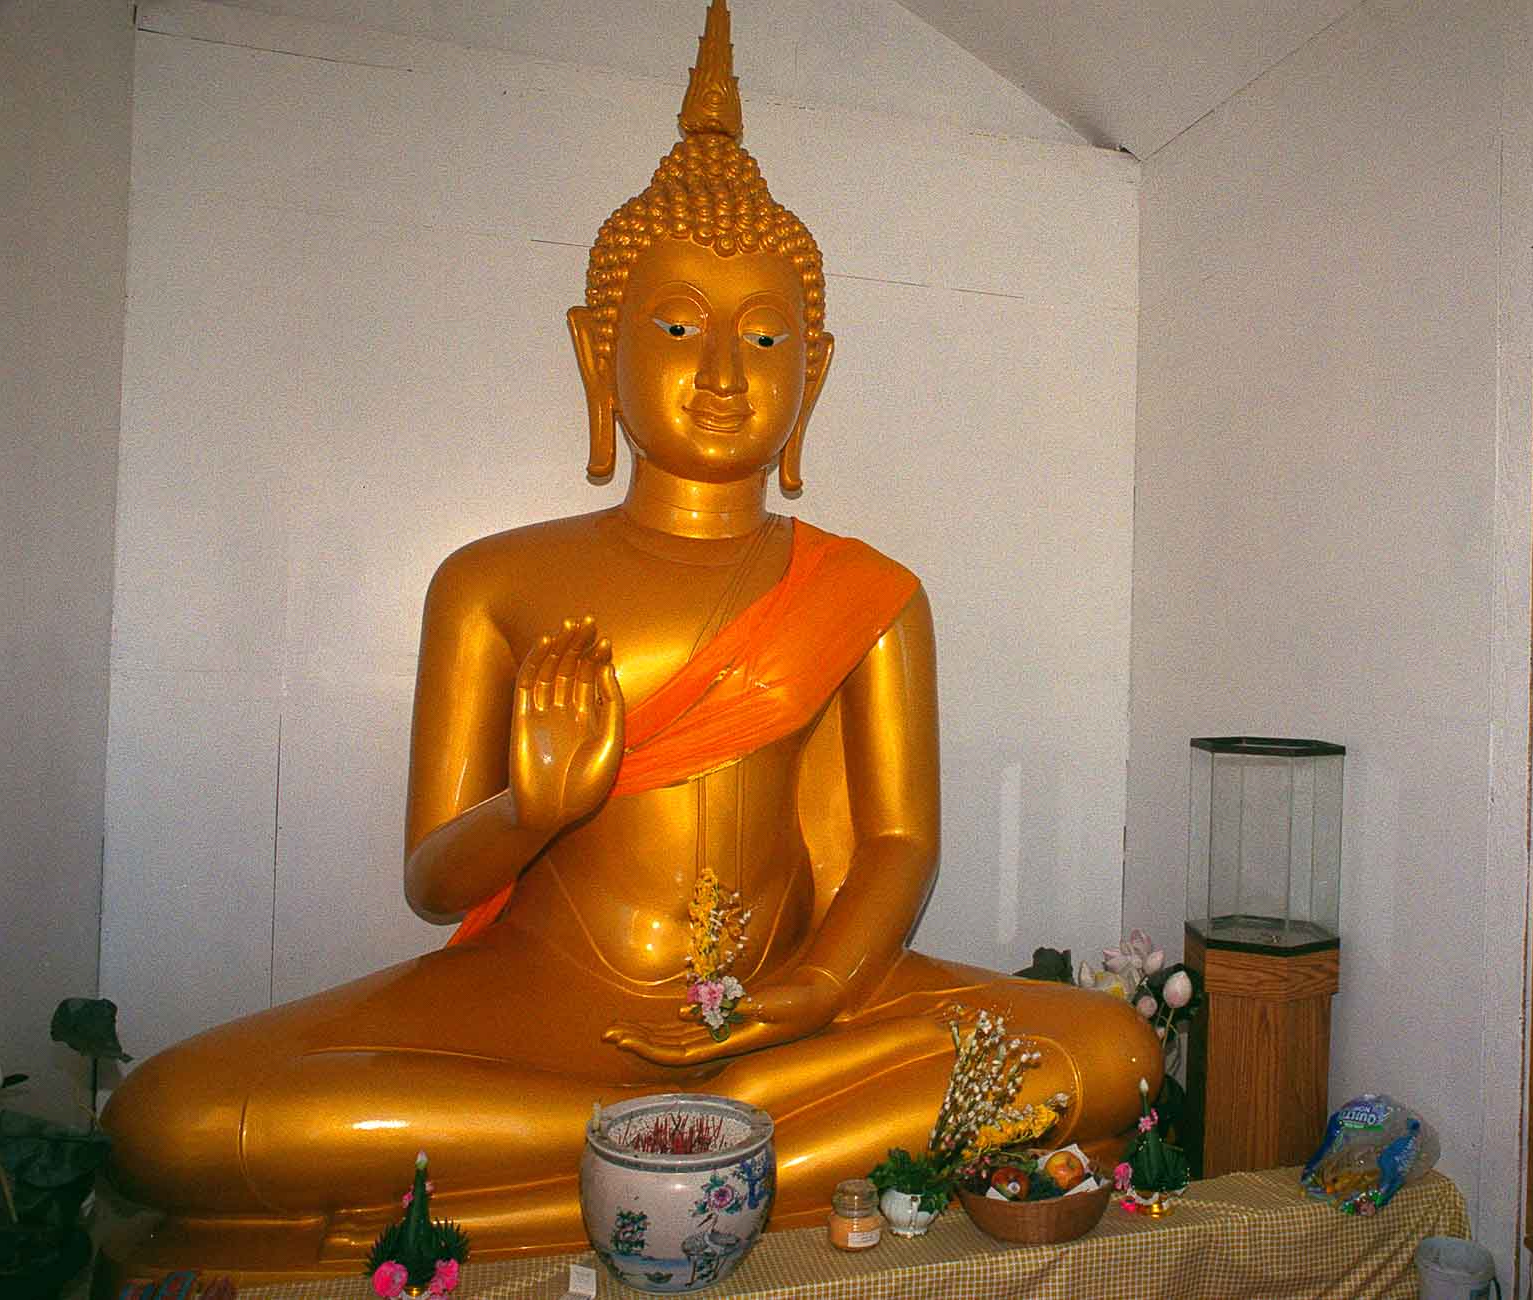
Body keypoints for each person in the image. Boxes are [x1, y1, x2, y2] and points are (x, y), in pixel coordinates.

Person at [101, 0, 1158, 1275]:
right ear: (596, 349)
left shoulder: (869, 594)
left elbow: (895, 842)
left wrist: (815, 991)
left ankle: (635, 1159)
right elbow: (435, 880)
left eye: (764, 336)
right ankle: (714, 1151)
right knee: (173, 1118)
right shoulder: (491, 582)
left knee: (1108, 1052)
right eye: (675, 326)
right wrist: (530, 809)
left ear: (812, 371)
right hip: (538, 1011)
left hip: (790, 1002)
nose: (723, 368)